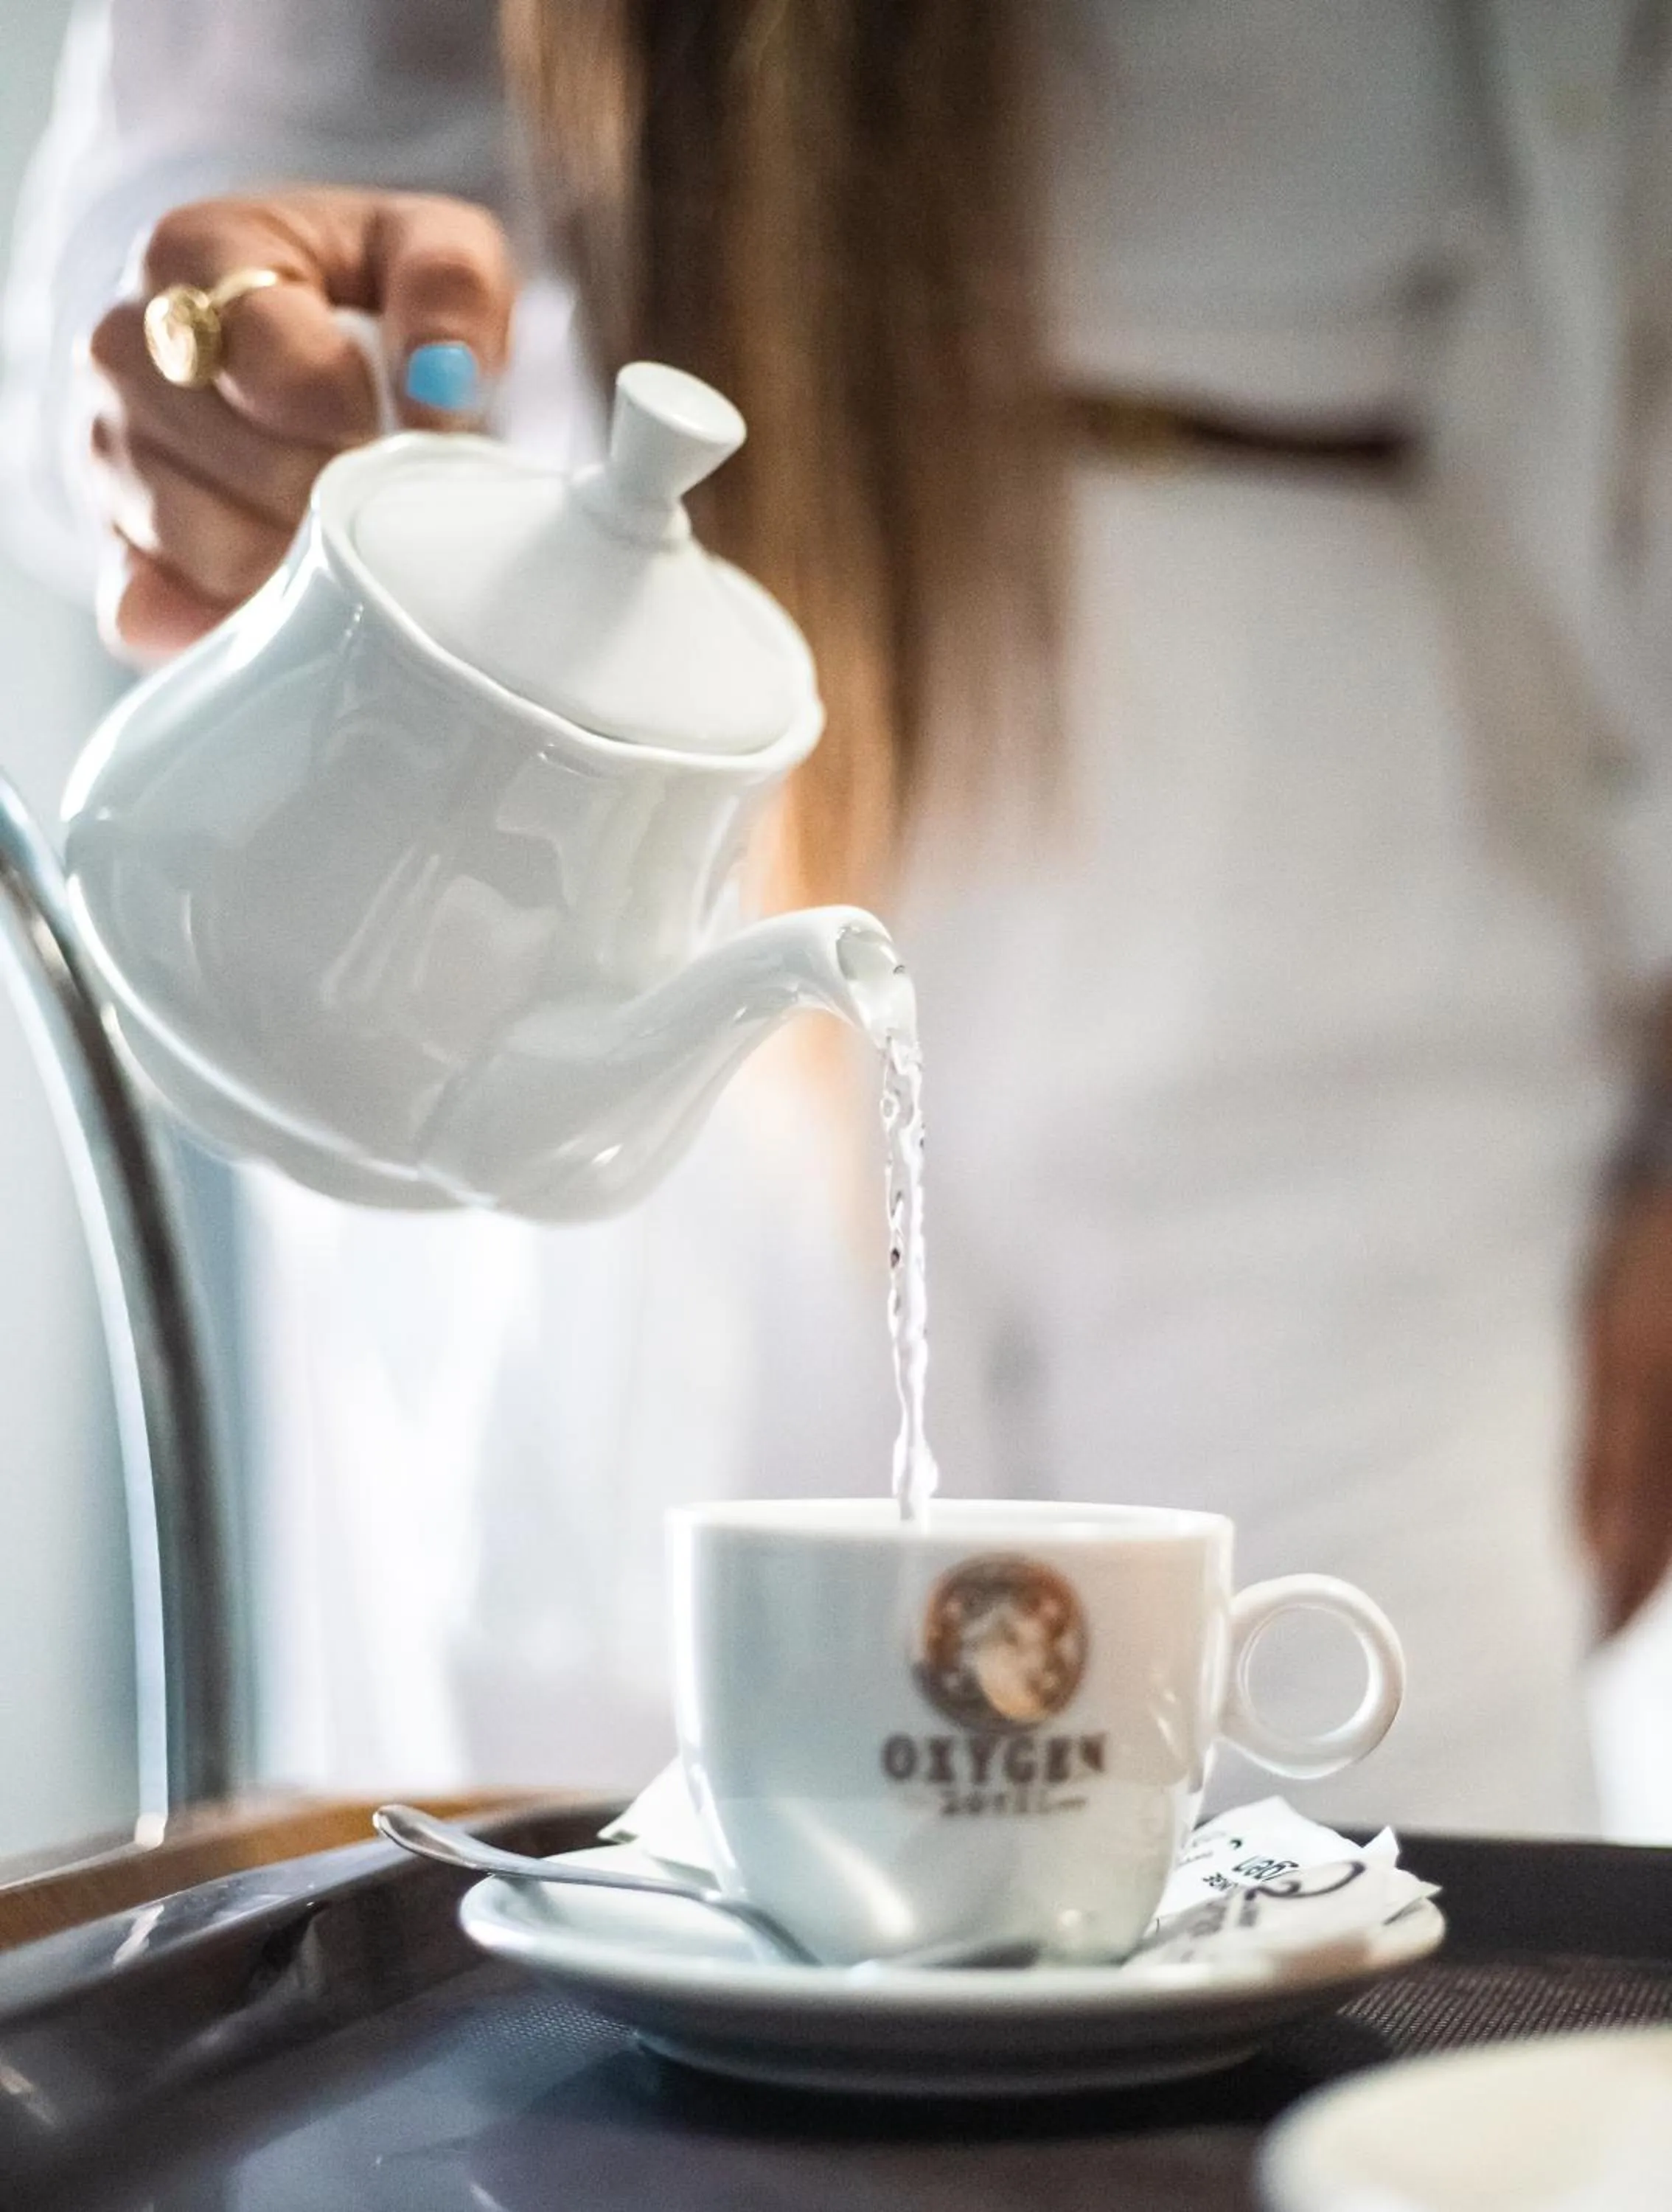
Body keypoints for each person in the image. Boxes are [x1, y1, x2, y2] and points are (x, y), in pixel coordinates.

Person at [7, 0, 1672, 1829]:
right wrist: (223, 373)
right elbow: (200, 166)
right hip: (642, 786)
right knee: (626, 1859)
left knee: (1397, 1866)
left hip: (1363, 812)